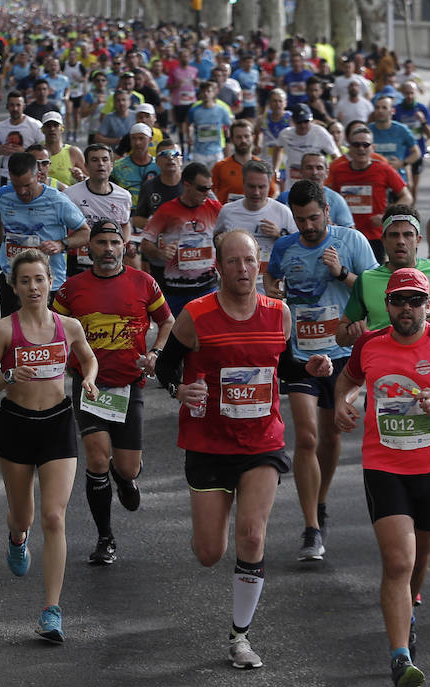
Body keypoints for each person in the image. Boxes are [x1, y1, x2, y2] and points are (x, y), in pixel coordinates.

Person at [155, 229, 333, 670]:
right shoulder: (196, 316)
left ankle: (240, 638)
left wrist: (308, 367)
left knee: (252, 535)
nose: (242, 269)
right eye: (232, 261)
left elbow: (282, 363)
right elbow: (165, 365)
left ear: (260, 264)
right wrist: (180, 389)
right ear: (218, 267)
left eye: (249, 260)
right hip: (208, 443)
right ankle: (211, 525)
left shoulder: (279, 313)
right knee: (209, 552)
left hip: (261, 441)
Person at [334, 267, 430, 687]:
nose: (407, 308)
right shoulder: (369, 343)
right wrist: (343, 402)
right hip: (383, 465)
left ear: (429, 304)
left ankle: (409, 612)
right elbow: (348, 381)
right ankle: (400, 657)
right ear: (387, 304)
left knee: (418, 562)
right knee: (398, 561)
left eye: (415, 300)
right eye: (399, 300)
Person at [0, 249, 99, 644]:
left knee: (55, 517)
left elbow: (88, 360)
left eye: (39, 279)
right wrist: (8, 375)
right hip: (16, 425)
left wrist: (91, 380)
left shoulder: (70, 326)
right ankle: (16, 537)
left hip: (57, 424)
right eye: (25, 280)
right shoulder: (4, 331)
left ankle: (51, 611)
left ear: (51, 282)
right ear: (14, 287)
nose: (33, 287)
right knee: (24, 516)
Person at [265, 180, 378, 560]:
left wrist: (342, 272)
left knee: (331, 437)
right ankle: (311, 526)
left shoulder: (352, 241)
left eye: (314, 218)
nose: (308, 226)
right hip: (300, 355)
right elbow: (271, 275)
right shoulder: (285, 247)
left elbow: (374, 290)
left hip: (343, 355)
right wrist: (274, 292)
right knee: (308, 437)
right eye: (300, 220)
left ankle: (322, 500)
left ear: (327, 212)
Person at [53, 219, 174, 565]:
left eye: (114, 243)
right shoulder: (71, 289)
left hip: (129, 385)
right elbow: (52, 328)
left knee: (126, 465)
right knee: (95, 458)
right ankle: (105, 538)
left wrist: (157, 353)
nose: (108, 249)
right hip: (89, 385)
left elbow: (167, 321)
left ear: (125, 247)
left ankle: (126, 477)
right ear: (89, 248)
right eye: (101, 243)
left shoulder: (144, 283)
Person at [337, 205, 430, 346]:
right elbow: (341, 337)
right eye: (394, 235)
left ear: (418, 240)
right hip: (385, 366)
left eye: (408, 235)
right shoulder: (366, 280)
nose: (400, 241)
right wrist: (353, 332)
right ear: (384, 240)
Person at [0, 152, 90, 318]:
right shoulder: (3, 195)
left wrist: (61, 244)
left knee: (47, 337)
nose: (21, 192)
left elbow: (86, 233)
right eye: (16, 186)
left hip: (48, 283)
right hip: (12, 279)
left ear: (38, 175)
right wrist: (0, 245)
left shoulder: (57, 200)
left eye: (27, 185)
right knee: (12, 336)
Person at [140, 162, 222, 317]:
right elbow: (145, 244)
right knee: (178, 337)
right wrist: (160, 253)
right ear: (187, 185)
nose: (207, 193)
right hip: (176, 289)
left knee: (206, 337)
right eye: (202, 189)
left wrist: (223, 240)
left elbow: (232, 236)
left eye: (209, 188)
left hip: (207, 287)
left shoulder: (215, 208)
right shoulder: (167, 210)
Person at [326, 125, 412, 262]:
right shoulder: (338, 170)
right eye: (356, 144)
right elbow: (330, 198)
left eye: (365, 145)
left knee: (374, 278)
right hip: (345, 235)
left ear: (372, 148)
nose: (361, 149)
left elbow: (407, 197)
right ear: (350, 148)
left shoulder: (383, 169)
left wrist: (386, 216)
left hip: (375, 236)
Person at [214, 159, 298, 293]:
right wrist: (219, 240)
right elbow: (216, 239)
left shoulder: (282, 212)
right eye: (251, 186)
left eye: (262, 187)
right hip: (235, 291)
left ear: (270, 184)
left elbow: (298, 247)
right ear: (243, 184)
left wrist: (280, 235)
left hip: (271, 290)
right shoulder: (228, 211)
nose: (256, 192)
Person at [62, 143, 133, 276]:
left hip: (110, 261)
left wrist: (124, 244)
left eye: (104, 160)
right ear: (86, 166)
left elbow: (125, 224)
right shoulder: (70, 194)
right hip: (77, 261)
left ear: (111, 166)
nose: (100, 164)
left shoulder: (124, 196)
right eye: (94, 160)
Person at [132, 140, 183, 284]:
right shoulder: (149, 187)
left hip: (189, 255)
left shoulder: (192, 184)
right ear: (157, 161)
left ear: (181, 159)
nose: (170, 158)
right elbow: (137, 219)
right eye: (165, 154)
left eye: (174, 154)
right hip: (160, 256)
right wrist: (156, 224)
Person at [275, 151, 354, 228]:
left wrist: (332, 227)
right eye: (309, 168)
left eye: (319, 168)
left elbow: (350, 231)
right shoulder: (284, 198)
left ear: (327, 173)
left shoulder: (336, 199)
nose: (314, 172)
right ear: (300, 172)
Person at [274, 103, 339, 191]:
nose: (303, 125)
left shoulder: (320, 133)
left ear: (311, 120)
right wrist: (276, 169)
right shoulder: (285, 134)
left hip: (315, 183)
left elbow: (336, 156)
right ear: (293, 121)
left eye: (306, 121)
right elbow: (278, 148)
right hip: (293, 183)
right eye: (299, 122)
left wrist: (330, 176)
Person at [0, 90, 44, 187]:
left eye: (18, 105)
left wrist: (25, 152)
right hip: (6, 174)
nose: (15, 108)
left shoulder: (35, 125)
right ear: (7, 106)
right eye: (12, 105)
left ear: (24, 105)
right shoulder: (1, 126)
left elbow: (45, 150)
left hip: (29, 175)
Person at [393, 81, 430, 204]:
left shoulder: (422, 109)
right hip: (403, 153)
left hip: (417, 151)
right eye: (406, 93)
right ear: (402, 94)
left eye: (412, 93)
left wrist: (423, 122)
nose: (409, 96)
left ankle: (412, 211)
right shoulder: (397, 110)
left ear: (416, 93)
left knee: (414, 187)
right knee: (407, 185)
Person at [370, 95, 420, 184]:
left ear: (392, 111)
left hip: (396, 179)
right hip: (374, 179)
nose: (380, 111)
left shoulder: (401, 130)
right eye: (377, 107)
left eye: (384, 108)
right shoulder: (368, 130)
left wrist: (402, 163)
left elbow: (416, 153)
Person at [187, 80, 233, 168]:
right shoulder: (194, 110)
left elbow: (229, 125)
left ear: (214, 93)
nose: (206, 94)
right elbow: (188, 124)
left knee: (217, 179)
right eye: (203, 91)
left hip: (216, 151)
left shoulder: (222, 110)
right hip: (198, 152)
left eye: (208, 91)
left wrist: (228, 139)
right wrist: (189, 136)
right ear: (199, 94)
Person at [41, 111, 87, 187]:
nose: (52, 129)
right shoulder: (36, 152)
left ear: (62, 128)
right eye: (48, 126)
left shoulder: (73, 152)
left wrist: (81, 177)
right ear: (42, 129)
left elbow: (89, 179)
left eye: (56, 125)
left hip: (68, 197)